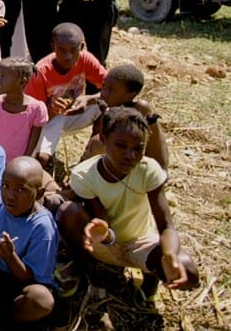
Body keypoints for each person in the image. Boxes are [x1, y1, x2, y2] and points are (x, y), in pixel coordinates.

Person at [58, 107, 200, 300]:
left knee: (188, 272)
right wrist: (105, 234)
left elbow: (166, 225)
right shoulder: (85, 175)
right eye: (121, 145)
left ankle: (151, 275)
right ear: (103, 139)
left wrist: (169, 255)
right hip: (105, 245)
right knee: (68, 212)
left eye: (138, 148)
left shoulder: (147, 170)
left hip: (141, 242)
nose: (130, 155)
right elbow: (104, 223)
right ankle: (86, 269)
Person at [0, 157, 58, 323]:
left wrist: (10, 257)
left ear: (40, 193)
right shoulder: (0, 200)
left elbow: (30, 278)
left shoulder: (43, 226)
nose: (10, 196)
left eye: (20, 189)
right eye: (6, 186)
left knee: (41, 299)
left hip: (19, 284)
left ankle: (1, 320)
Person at [74, 64, 170, 169]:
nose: (103, 93)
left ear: (129, 96)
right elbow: (90, 152)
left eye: (110, 90)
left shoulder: (140, 110)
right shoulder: (107, 110)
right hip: (109, 171)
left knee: (99, 143)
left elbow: (159, 161)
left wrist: (157, 176)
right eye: (103, 86)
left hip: (139, 172)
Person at [25, 23, 107, 123]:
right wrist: (53, 109)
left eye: (73, 50)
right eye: (61, 50)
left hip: (79, 110)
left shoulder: (85, 59)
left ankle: (101, 138)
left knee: (113, 104)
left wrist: (88, 100)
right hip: (52, 119)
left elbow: (113, 88)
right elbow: (33, 116)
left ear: (81, 47)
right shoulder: (40, 72)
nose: (67, 56)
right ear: (53, 47)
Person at [0, 58, 48, 161]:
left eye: (3, 76)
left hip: (21, 166)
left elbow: (32, 147)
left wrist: (24, 166)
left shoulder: (37, 109)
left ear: (21, 82)